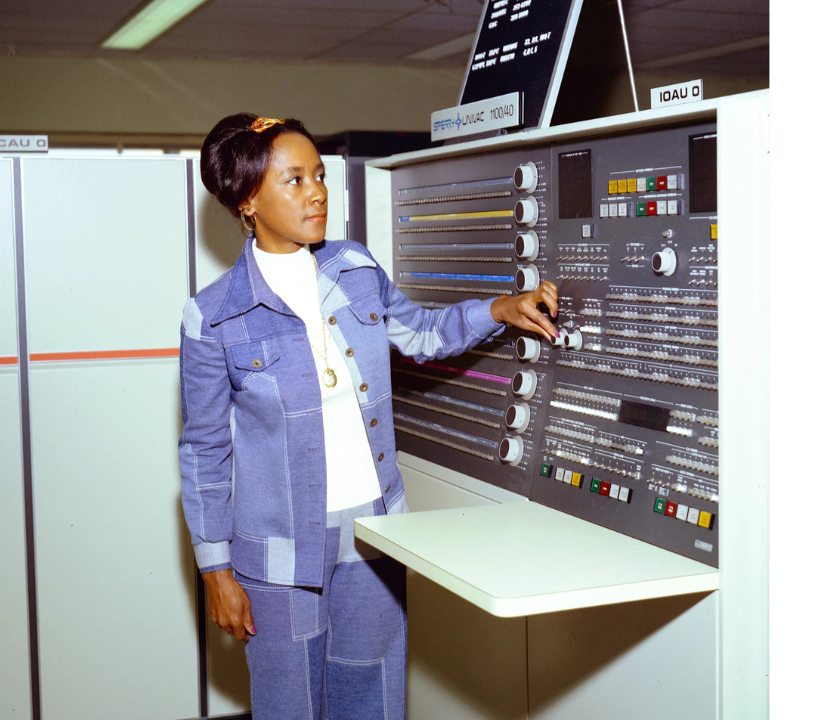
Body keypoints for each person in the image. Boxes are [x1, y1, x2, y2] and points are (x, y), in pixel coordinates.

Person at [179, 113, 558, 719]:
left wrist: (501, 307)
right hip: (279, 557)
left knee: (374, 702)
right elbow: (203, 451)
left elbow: (423, 334)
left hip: (374, 536)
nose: (318, 192)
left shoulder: (354, 269)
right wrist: (215, 569)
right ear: (249, 198)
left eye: (320, 175)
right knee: (290, 706)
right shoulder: (213, 316)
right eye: (295, 180)